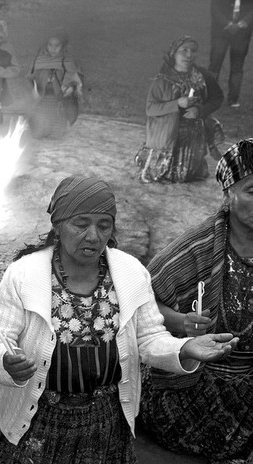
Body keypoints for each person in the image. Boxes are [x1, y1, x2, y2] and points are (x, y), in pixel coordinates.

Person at [0, 175, 238, 463]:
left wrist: (184, 348)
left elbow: (149, 337)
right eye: (81, 224)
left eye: (103, 226)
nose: (93, 236)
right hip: (40, 415)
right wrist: (5, 362)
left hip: (106, 420)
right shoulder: (24, 274)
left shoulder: (130, 273)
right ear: (58, 225)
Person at [139, 138, 253, 463]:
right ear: (228, 196)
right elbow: (141, 305)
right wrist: (180, 322)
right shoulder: (197, 248)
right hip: (198, 383)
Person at [135, 35, 225, 184]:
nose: (189, 55)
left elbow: (217, 98)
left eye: (193, 51)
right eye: (184, 50)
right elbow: (150, 109)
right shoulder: (162, 80)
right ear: (174, 54)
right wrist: (177, 103)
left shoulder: (202, 76)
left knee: (187, 176)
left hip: (193, 134)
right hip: (167, 134)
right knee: (165, 174)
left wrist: (200, 110)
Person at [27, 32, 84, 139]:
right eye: (50, 45)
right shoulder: (39, 60)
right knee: (37, 134)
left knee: (55, 137)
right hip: (42, 102)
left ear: (62, 46)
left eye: (57, 46)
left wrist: (71, 88)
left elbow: (75, 79)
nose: (53, 49)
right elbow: (30, 77)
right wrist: (33, 88)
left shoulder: (67, 61)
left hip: (59, 105)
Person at [209, 0, 253, 108]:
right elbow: (215, 8)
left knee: (229, 66)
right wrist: (235, 24)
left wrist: (237, 25)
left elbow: (215, 8)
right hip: (224, 32)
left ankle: (231, 98)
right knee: (217, 65)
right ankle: (226, 99)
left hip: (235, 33)